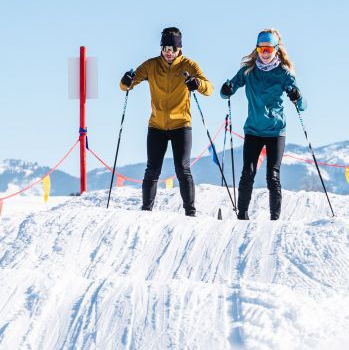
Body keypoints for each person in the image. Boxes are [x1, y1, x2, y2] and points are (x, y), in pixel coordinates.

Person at [120, 27, 213, 216]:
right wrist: (126, 80)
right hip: (157, 126)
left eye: (172, 49)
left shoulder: (189, 65)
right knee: (152, 169)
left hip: (181, 125)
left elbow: (208, 89)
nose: (168, 54)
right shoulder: (151, 65)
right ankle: (146, 210)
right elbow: (126, 86)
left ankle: (190, 212)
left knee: (182, 168)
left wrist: (197, 83)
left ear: (179, 49)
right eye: (165, 49)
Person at [219, 29, 305, 221]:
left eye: (268, 49)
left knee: (272, 176)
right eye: (261, 49)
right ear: (257, 49)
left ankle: (275, 219)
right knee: (247, 173)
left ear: (276, 50)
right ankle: (242, 216)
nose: (265, 53)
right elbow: (226, 92)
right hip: (253, 130)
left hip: (275, 131)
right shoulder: (248, 71)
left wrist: (296, 97)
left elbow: (303, 105)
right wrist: (227, 89)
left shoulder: (283, 73)